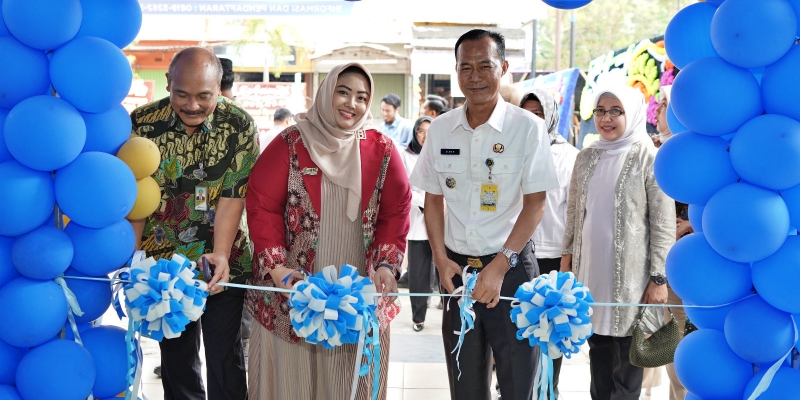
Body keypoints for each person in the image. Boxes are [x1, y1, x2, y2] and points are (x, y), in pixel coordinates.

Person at [245, 62, 411, 400]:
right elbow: (262, 206)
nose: (352, 104)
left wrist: (385, 264)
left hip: (357, 291)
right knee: (292, 380)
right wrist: (277, 267)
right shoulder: (290, 143)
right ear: (326, 93)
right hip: (292, 286)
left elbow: (396, 211)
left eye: (362, 98)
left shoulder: (382, 150)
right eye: (343, 92)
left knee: (348, 379)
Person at [410, 29, 559, 400]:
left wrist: (500, 265)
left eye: (485, 66)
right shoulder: (442, 129)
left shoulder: (528, 128)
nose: (474, 75)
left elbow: (536, 203)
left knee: (517, 381)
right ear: (456, 71)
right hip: (456, 274)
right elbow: (433, 200)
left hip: (510, 271)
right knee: (465, 383)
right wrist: (441, 261)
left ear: (504, 67)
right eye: (466, 67)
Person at [129, 47, 256, 400]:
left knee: (224, 357)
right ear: (168, 83)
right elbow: (136, 195)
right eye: (181, 94)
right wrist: (133, 258)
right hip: (164, 268)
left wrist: (220, 254)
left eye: (204, 96)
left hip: (223, 261)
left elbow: (233, 195)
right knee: (177, 360)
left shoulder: (239, 125)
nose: (192, 105)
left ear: (219, 88)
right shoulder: (141, 123)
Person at [560, 85, 676, 400]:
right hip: (591, 274)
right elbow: (574, 212)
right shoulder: (586, 156)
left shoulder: (648, 156)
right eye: (600, 111)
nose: (606, 118)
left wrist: (658, 277)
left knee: (628, 357)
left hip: (633, 279)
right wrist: (567, 255)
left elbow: (663, 222)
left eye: (616, 111)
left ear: (632, 113)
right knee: (598, 349)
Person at [519, 88, 579, 399]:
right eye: (527, 112)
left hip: (554, 257)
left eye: (539, 113)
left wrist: (567, 259)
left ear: (552, 116)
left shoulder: (569, 156)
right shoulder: (512, 149)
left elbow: (575, 212)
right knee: (518, 331)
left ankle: (548, 391)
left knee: (552, 332)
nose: (532, 119)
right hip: (515, 255)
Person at [652, 84, 689, 400]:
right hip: (663, 263)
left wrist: (691, 223)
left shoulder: (699, 147)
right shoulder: (651, 149)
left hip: (695, 260)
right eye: (661, 103)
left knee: (687, 337)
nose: (661, 110)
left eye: (666, 103)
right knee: (669, 338)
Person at [401, 116, 434, 332]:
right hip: (419, 221)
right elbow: (405, 188)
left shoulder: (443, 153)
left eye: (429, 131)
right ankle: (418, 316)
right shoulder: (406, 156)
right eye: (420, 131)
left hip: (444, 222)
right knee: (419, 273)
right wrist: (425, 203)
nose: (424, 135)